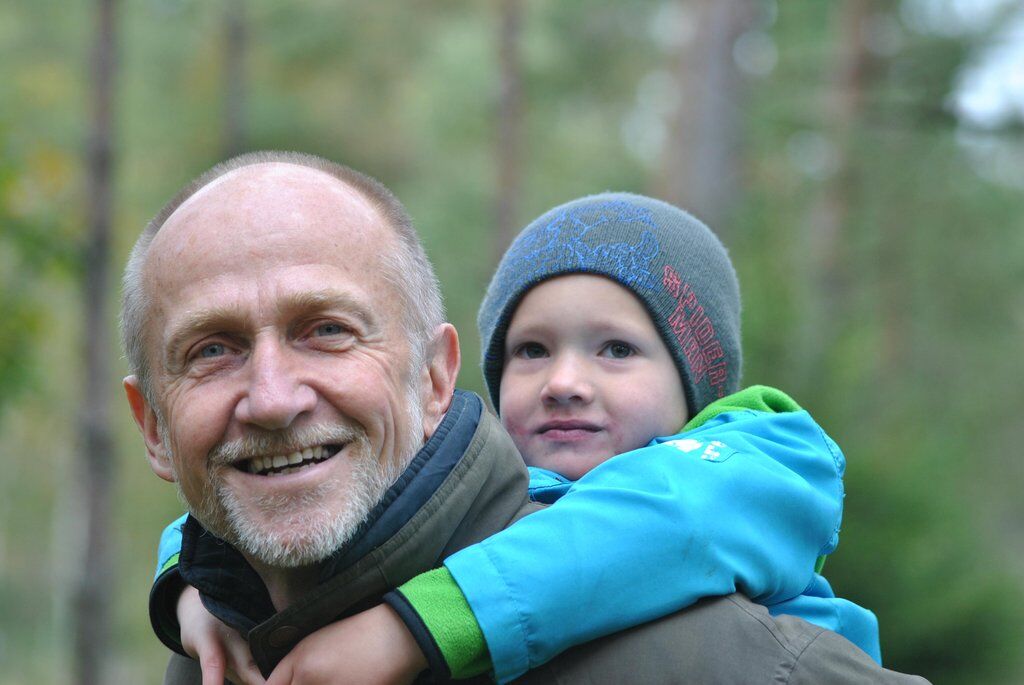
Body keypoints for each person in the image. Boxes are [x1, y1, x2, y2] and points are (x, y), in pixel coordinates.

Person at [126, 151, 928, 684]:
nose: (566, 381)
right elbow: (229, 513)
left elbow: (646, 527)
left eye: (618, 349)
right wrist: (191, 593)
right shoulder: (224, 648)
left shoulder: (754, 462)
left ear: (435, 378)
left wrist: (412, 629)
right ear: (154, 427)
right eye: (532, 350)